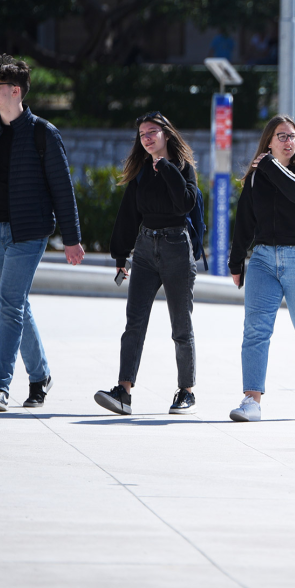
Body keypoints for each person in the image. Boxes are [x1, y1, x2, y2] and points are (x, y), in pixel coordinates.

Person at [0, 54, 85, 411]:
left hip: (29, 233)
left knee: (10, 306)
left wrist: (73, 238)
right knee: (16, 305)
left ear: (15, 91)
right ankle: (40, 376)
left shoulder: (43, 133)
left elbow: (63, 188)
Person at [94, 112, 200, 416]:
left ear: (166, 134)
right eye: (142, 134)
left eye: (152, 132)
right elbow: (129, 214)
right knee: (134, 323)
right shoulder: (140, 171)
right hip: (144, 249)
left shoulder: (182, 167)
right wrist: (120, 255)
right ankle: (123, 391)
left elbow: (185, 203)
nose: (147, 138)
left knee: (181, 324)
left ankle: (186, 392)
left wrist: (165, 168)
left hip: (177, 248)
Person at [228, 116, 295, 423]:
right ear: (269, 142)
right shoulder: (258, 177)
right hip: (262, 260)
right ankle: (251, 401)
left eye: (292, 136)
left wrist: (272, 166)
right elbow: (244, 219)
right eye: (281, 136)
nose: (289, 142)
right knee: (255, 331)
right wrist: (236, 262)